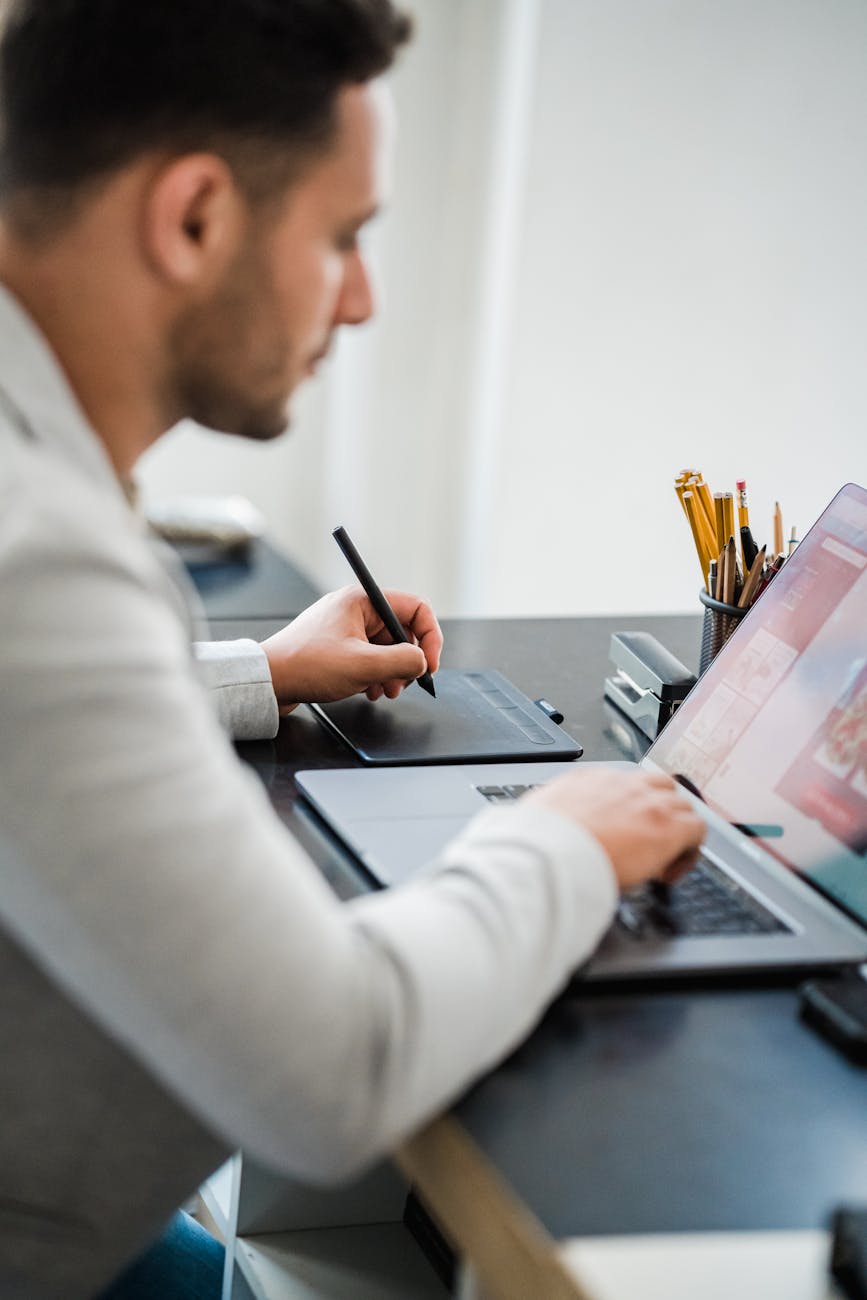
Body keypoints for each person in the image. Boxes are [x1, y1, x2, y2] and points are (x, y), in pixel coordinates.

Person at [0, 2, 706, 1297]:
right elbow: (335, 1071)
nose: (366, 299)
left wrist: (254, 676)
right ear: (196, 216)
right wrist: (562, 838)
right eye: (345, 237)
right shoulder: (35, 554)